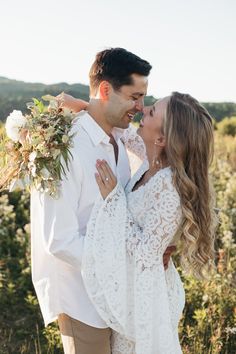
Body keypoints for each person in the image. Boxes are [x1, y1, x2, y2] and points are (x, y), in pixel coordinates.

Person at [30, 47, 174, 354]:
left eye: (144, 98)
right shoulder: (66, 147)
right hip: (82, 300)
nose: (140, 106)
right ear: (106, 90)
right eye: (134, 97)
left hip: (119, 299)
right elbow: (60, 239)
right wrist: (126, 267)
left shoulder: (121, 140)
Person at [77, 92, 216, 353]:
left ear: (162, 139)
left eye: (151, 112)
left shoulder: (168, 187)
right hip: (132, 290)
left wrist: (115, 201)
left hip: (146, 301)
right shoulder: (149, 160)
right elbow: (121, 128)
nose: (143, 112)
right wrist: (86, 106)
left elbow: (144, 254)